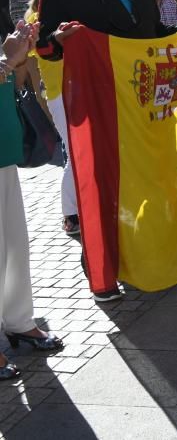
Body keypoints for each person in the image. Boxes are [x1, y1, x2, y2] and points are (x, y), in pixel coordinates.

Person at [36, 0, 177, 301]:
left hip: (142, 99)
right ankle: (102, 267)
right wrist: (59, 42)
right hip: (97, 102)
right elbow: (43, 45)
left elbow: (154, 33)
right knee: (102, 183)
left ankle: (144, 254)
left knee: (149, 177)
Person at [1, 21, 65, 382]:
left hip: (3, 153)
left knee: (13, 246)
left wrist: (19, 58)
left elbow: (14, 82)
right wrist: (8, 61)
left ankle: (19, 321)